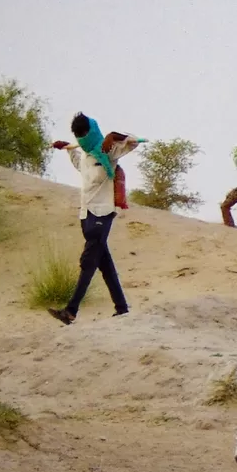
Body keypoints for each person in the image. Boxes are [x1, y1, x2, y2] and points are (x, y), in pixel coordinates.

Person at [47, 111, 142, 325]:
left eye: (83, 132)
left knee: (88, 262)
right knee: (104, 263)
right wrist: (66, 149)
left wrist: (116, 136)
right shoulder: (86, 156)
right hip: (86, 215)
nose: (81, 137)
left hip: (104, 213)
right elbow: (77, 164)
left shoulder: (108, 151)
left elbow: (134, 141)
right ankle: (122, 308)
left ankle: (71, 311)